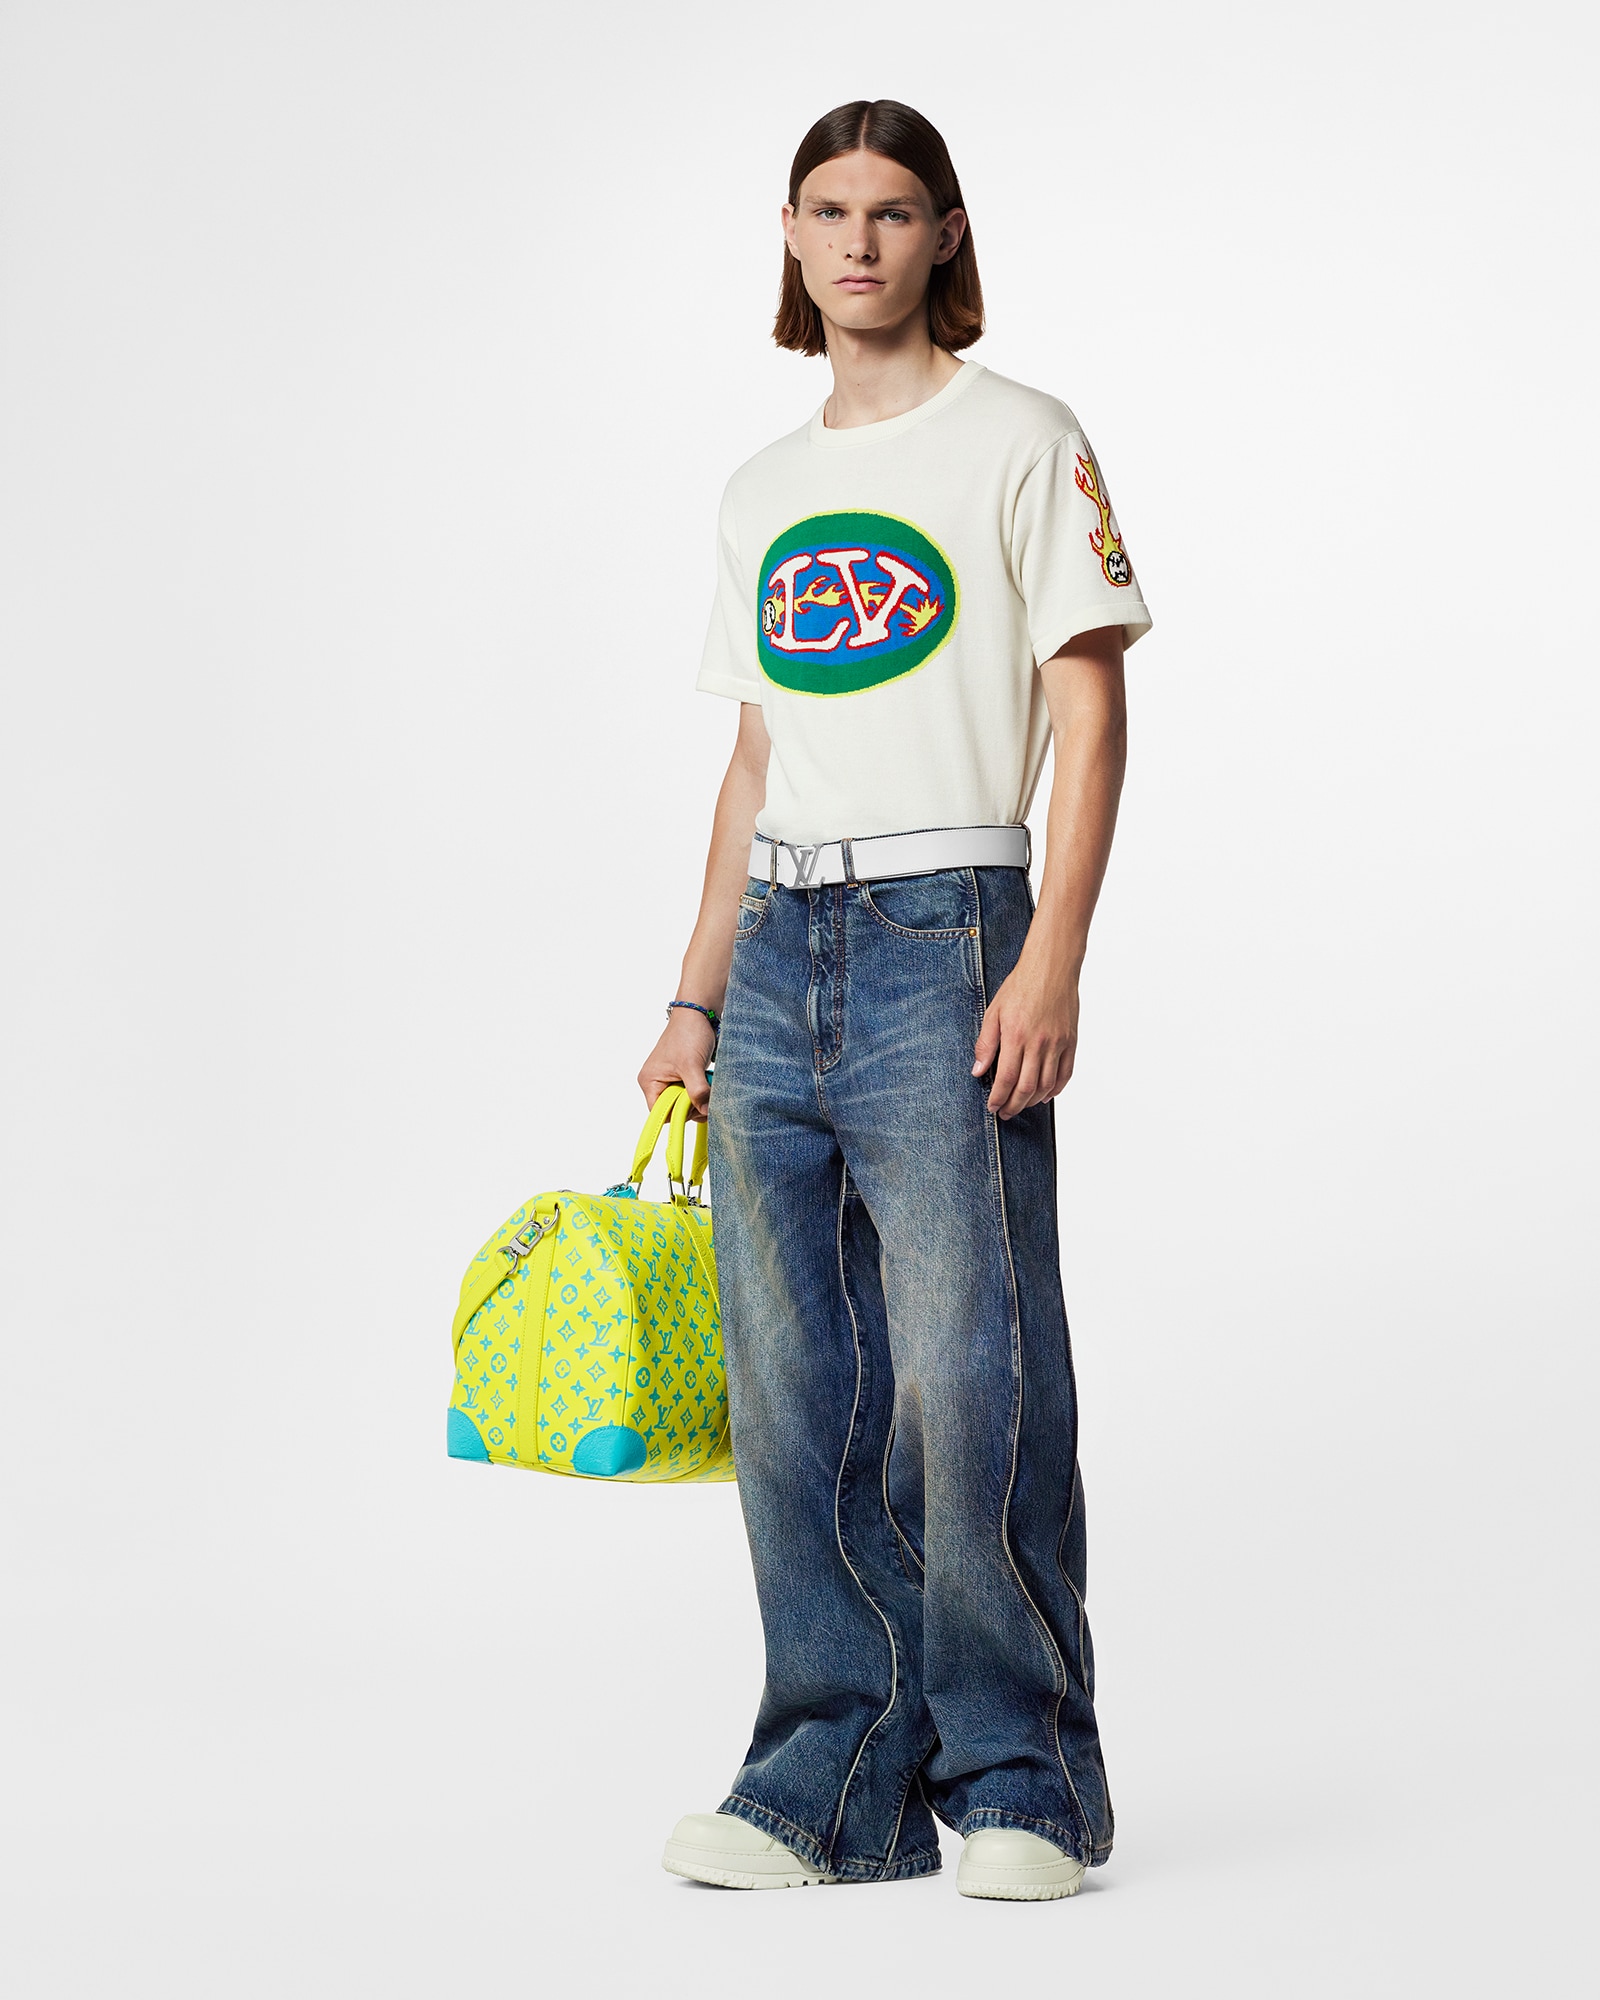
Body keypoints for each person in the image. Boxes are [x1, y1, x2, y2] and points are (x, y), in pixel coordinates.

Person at [638, 99, 1151, 1902]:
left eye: (895, 211)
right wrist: (696, 1000)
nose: (860, 242)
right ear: (791, 235)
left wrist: (1052, 952)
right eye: (829, 210)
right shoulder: (762, 491)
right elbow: (754, 759)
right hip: (781, 941)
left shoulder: (1024, 438)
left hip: (952, 930)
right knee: (794, 1389)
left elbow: (1089, 709)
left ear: (946, 234)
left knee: (970, 1374)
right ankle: (830, 1782)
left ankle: (1024, 1781)